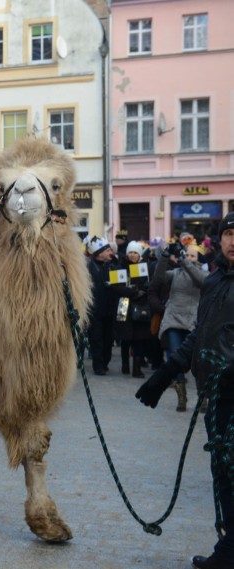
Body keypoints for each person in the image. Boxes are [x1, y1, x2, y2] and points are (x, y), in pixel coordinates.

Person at [136, 211, 234, 569]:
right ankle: (229, 547)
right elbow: (200, 333)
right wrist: (165, 374)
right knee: (223, 472)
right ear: (219, 239)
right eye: (229, 233)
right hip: (217, 394)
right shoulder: (216, 280)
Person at [151, 243, 208, 411]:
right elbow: (159, 278)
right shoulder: (176, 273)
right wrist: (164, 257)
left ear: (199, 259)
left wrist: (183, 260)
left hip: (193, 322)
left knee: (198, 361)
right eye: (187, 255)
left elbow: (198, 279)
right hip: (174, 319)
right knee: (175, 358)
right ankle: (181, 397)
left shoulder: (206, 274)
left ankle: (202, 396)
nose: (189, 258)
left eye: (193, 256)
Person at [112, 240, 153, 378]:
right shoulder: (119, 267)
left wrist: (140, 292)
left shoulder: (143, 267)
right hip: (123, 305)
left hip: (139, 306)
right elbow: (115, 287)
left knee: (139, 338)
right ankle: (125, 364)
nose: (133, 255)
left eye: (135, 252)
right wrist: (133, 292)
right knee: (125, 337)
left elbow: (146, 286)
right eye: (131, 252)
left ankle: (136, 368)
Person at [85, 236, 116, 375]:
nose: (110, 251)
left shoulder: (112, 265)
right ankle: (98, 365)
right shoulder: (88, 268)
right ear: (99, 252)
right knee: (96, 339)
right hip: (95, 310)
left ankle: (105, 361)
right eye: (107, 249)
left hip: (109, 310)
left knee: (108, 339)